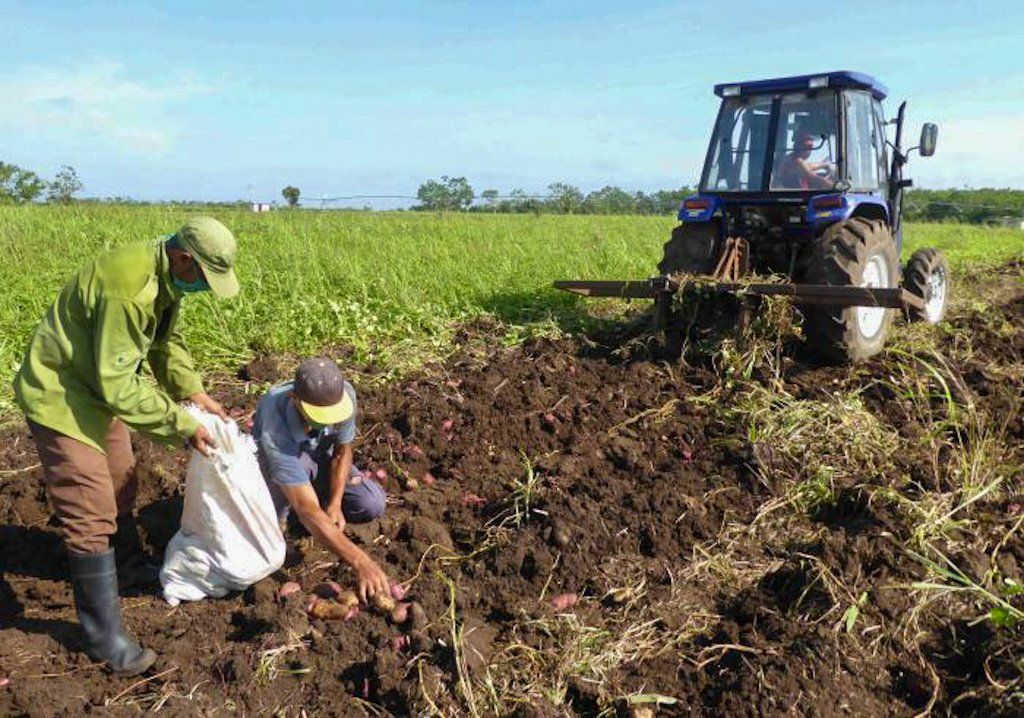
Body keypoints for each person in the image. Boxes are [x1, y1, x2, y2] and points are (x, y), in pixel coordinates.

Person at [13, 217, 239, 677]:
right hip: (61, 391)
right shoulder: (130, 288)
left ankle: (130, 563)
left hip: (96, 385)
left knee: (120, 475)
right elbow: (118, 385)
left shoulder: (164, 277)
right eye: (204, 277)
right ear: (184, 259)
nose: (204, 288)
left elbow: (164, 344)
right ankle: (103, 636)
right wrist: (182, 426)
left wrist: (192, 392)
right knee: (89, 504)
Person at [253, 357, 391, 603]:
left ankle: (319, 514)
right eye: (320, 414)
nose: (329, 421)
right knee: (271, 540)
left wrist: (335, 503)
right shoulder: (276, 425)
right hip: (283, 469)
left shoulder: (343, 396)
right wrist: (360, 561)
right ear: (295, 399)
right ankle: (289, 515)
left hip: (321, 457)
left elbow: (342, 452)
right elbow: (306, 509)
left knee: (371, 502)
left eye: (333, 414)